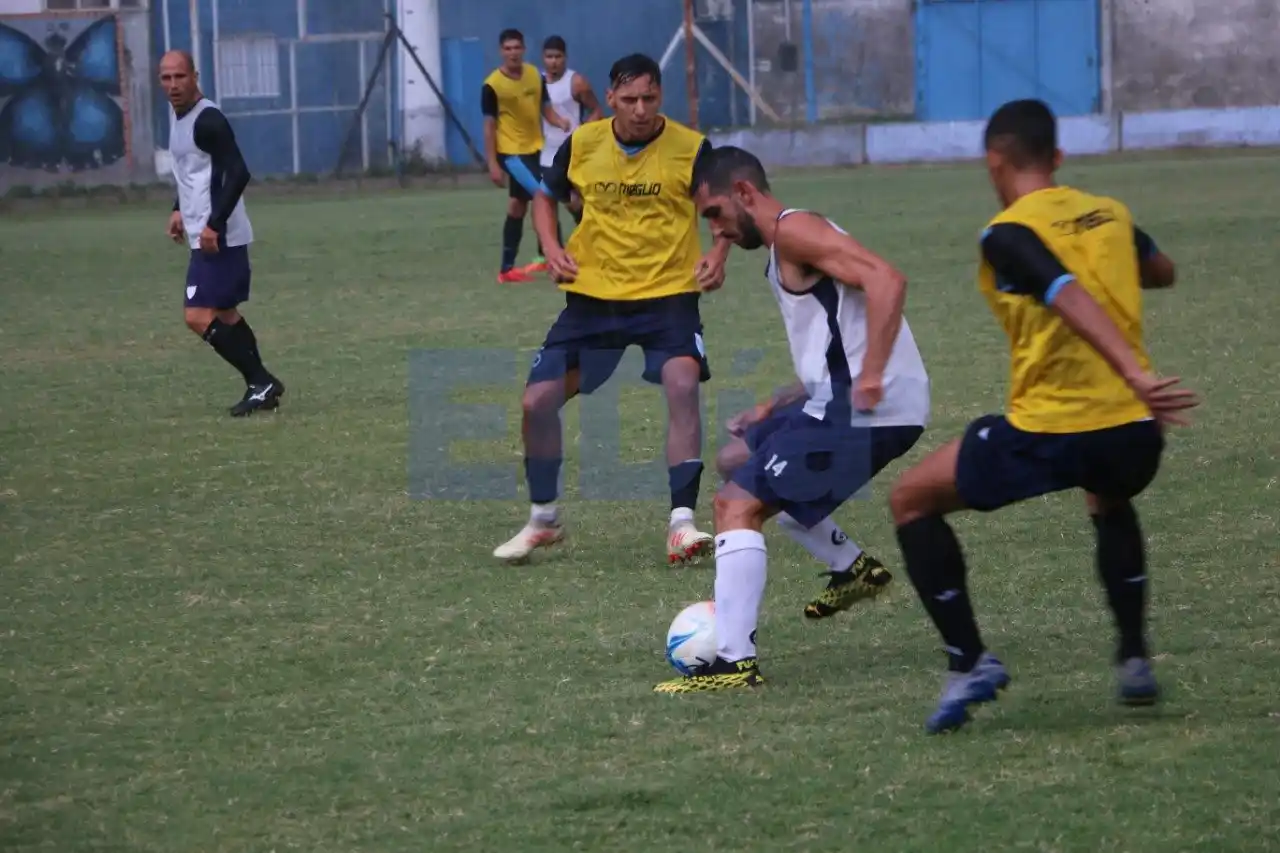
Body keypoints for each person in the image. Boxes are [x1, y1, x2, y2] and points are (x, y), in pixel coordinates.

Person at [886, 98, 1196, 734]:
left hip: (1052, 432)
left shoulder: (1005, 234)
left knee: (910, 500)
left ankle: (967, 660)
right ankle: (1134, 656)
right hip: (1135, 433)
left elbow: (1062, 291)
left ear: (993, 161)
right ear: (1057, 157)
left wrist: (1131, 368)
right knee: (1108, 496)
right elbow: (1160, 271)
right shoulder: (1110, 213)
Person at [654, 145, 931, 694]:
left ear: (744, 194)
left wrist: (873, 374)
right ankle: (850, 569)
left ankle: (733, 663)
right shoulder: (786, 243)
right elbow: (833, 348)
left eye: (714, 215)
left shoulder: (794, 232)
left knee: (736, 504)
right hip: (838, 401)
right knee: (738, 459)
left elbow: (887, 280)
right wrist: (774, 406)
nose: (717, 231)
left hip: (866, 410)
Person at [492, 53, 732, 567]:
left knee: (683, 384)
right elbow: (543, 197)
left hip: (668, 295)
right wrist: (551, 247)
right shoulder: (583, 142)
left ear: (659, 96)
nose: (641, 109)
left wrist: (718, 251)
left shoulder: (692, 148)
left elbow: (723, 207)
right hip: (594, 298)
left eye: (649, 98)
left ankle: (681, 525)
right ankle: (542, 521)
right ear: (612, 97)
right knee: (536, 403)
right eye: (629, 100)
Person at [159, 50, 283, 417]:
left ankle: (261, 381)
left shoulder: (208, 119)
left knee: (196, 315)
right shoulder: (178, 116)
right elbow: (191, 168)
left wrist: (214, 224)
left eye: (179, 77)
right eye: (166, 78)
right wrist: (178, 208)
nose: (173, 85)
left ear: (195, 76)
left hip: (219, 235)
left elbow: (239, 172)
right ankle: (260, 386)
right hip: (203, 231)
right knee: (225, 313)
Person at [482, 28, 572, 284]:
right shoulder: (492, 85)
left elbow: (545, 108)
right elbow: (489, 127)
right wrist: (492, 164)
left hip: (534, 150)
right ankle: (557, 256)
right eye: (507, 49)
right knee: (546, 195)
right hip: (510, 153)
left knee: (517, 206)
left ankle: (507, 269)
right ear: (501, 52)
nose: (512, 53)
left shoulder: (534, 75)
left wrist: (559, 121)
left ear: (524, 49)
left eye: (516, 48)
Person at [539, 35, 603, 243]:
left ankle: (595, 240)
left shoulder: (576, 82)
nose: (554, 61)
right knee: (547, 202)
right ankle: (549, 254)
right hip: (545, 154)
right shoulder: (536, 83)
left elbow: (597, 111)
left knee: (576, 202)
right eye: (549, 57)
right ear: (543, 58)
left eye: (558, 56)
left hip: (573, 153)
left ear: (565, 58)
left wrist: (582, 132)